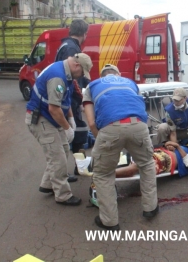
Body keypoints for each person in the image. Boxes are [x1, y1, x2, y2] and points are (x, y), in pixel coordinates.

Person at [83, 64, 158, 231]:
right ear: (118, 74)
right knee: (146, 165)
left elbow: (91, 122)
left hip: (110, 128)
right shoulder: (130, 82)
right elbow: (140, 109)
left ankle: (109, 221)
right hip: (138, 125)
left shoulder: (93, 85)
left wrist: (102, 139)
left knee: (103, 174)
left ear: (103, 76)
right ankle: (150, 208)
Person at [25, 53, 93, 206]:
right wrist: (68, 128)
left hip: (48, 118)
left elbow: (64, 100)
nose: (81, 76)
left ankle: (47, 184)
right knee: (57, 158)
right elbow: (54, 109)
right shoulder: (58, 77)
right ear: (76, 65)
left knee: (62, 150)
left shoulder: (65, 73)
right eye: (82, 72)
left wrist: (70, 119)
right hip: (41, 119)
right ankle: (63, 195)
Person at [55, 19, 90, 182]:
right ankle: (78, 167)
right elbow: (73, 75)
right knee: (76, 133)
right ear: (84, 33)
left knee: (75, 133)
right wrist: (82, 97)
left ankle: (79, 166)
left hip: (67, 98)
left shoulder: (66, 45)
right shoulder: (71, 48)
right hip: (70, 99)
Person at [115, 142, 188, 178]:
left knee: (141, 166)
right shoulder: (186, 147)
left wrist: (177, 146)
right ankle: (107, 168)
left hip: (167, 161)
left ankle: (107, 174)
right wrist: (170, 147)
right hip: (161, 153)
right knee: (131, 158)